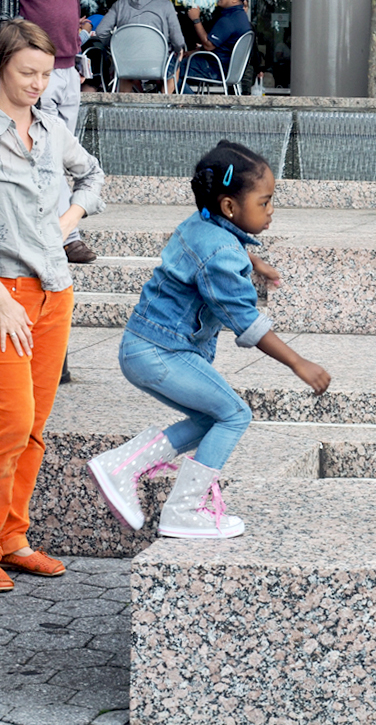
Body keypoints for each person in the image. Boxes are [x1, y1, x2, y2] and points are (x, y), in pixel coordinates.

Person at [87, 141, 331, 540]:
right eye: (265, 202)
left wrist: (254, 260)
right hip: (161, 353)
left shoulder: (201, 224)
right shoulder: (220, 251)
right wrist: (297, 363)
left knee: (209, 418)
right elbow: (245, 320)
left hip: (145, 347)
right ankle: (181, 507)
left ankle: (126, 465)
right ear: (230, 207)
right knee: (235, 414)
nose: (272, 211)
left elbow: (214, 246)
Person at [0, 19, 105, 591]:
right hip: (6, 294)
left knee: (35, 425)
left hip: (54, 290)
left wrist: (70, 219)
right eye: (27, 73)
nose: (39, 83)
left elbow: (92, 176)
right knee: (9, 422)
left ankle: (12, 540)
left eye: (46, 73)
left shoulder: (51, 126)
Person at [19, 0, 97, 264]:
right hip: (41, 71)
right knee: (48, 153)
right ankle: (69, 237)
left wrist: (76, 63)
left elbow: (68, 21)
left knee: (61, 153)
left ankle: (57, 227)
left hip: (68, 70)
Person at [96, 0, 185, 94]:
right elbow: (178, 40)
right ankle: (163, 102)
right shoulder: (166, 5)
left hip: (127, 64)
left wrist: (117, 47)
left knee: (125, 68)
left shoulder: (120, 5)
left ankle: (123, 103)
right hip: (158, 64)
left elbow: (101, 31)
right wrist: (179, 50)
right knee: (175, 68)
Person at [180, 0, 251, 94]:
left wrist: (196, 20)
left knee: (171, 70)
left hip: (214, 68)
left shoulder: (228, 19)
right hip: (227, 68)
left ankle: (191, 102)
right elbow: (223, 47)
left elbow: (208, 45)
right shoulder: (242, 17)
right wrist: (193, 52)